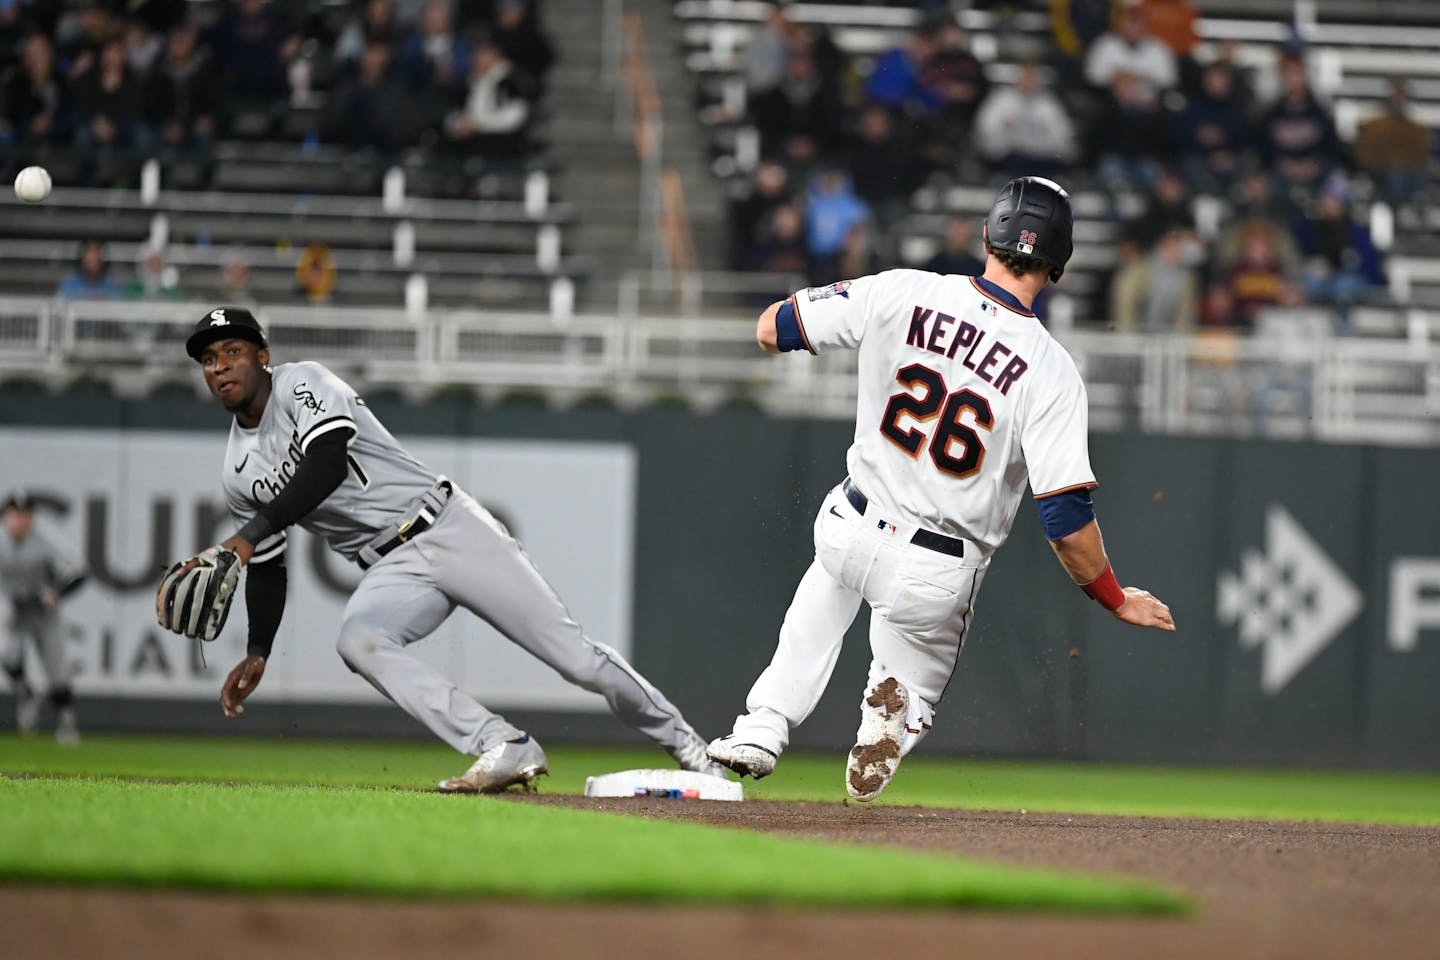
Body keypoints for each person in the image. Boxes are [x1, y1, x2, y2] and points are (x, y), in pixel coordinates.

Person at [706, 178, 1175, 800]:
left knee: (824, 590)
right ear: (1059, 265)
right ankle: (892, 716)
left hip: (852, 520)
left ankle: (762, 725)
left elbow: (773, 329)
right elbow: (1063, 517)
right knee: (914, 685)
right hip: (937, 568)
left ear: (987, 235)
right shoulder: (1052, 371)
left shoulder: (903, 289)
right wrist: (1115, 599)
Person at [179, 307, 721, 792]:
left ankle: (689, 748)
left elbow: (327, 463)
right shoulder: (237, 472)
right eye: (209, 358)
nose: (221, 365)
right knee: (359, 641)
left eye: (233, 351)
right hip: (391, 566)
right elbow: (269, 566)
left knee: (576, 660)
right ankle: (504, 744)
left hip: (449, 527)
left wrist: (245, 536)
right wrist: (258, 650)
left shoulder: (303, 383)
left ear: (263, 357)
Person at [0, 493, 87, 745]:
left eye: (26, 514)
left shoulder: (45, 538)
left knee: (57, 669)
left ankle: (66, 721)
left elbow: (80, 569)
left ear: (32, 516)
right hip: (13, 609)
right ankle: (27, 691)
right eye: (15, 513)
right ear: (7, 516)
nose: (20, 519)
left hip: (44, 610)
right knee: (7, 656)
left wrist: (57, 592)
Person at [56, 240, 122, 300]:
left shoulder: (110, 285)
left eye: (96, 254)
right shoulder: (69, 284)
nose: (93, 259)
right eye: (89, 256)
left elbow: (118, 308)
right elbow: (61, 306)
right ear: (83, 260)